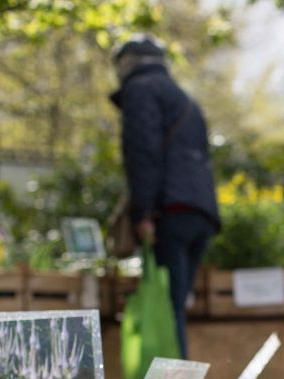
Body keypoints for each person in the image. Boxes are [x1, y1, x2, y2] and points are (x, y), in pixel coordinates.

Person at [111, 34, 219, 358]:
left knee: (166, 312)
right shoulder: (184, 99)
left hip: (170, 212)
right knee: (175, 307)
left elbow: (142, 154)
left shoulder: (140, 91)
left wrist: (143, 212)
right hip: (202, 212)